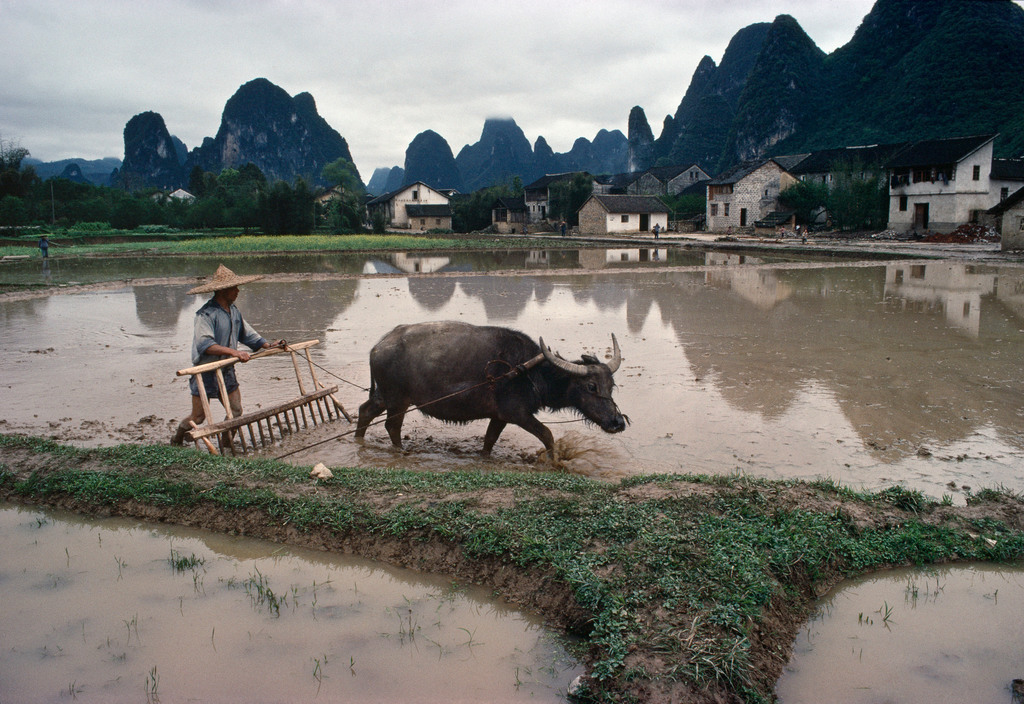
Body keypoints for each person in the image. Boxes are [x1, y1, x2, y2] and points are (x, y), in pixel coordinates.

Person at [170, 264, 283, 446]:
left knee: (236, 410)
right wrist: (235, 352)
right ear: (223, 290)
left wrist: (268, 345)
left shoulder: (234, 311)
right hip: (205, 372)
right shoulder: (205, 314)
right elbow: (205, 344)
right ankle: (178, 437)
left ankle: (226, 441)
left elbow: (247, 334)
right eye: (234, 287)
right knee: (198, 417)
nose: (238, 291)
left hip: (226, 369)